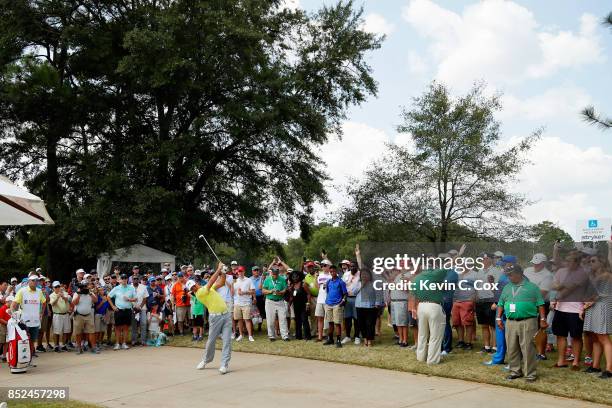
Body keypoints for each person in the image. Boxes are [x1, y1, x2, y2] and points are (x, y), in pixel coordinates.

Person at [496, 264, 547, 382]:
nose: (509, 277)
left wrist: (543, 319)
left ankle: (530, 374)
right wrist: (498, 318)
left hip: (528, 321)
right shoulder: (507, 287)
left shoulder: (532, 287)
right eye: (507, 275)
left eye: (511, 274)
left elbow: (540, 304)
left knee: (528, 348)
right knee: (512, 347)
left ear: (519, 273)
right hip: (510, 321)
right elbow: (500, 304)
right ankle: (515, 371)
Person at [192, 262, 232, 374]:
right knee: (211, 341)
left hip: (226, 315)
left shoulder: (206, 288)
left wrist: (223, 272)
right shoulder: (199, 294)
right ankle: (205, 360)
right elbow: (211, 282)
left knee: (227, 340)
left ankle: (224, 364)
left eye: (194, 285)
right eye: (192, 288)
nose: (194, 287)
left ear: (196, 283)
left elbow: (222, 282)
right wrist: (219, 269)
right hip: (215, 318)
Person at [551, 253, 589, 370]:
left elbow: (570, 288)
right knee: (560, 335)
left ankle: (576, 362)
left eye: (570, 261)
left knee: (576, 336)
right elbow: (554, 286)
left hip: (575, 309)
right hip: (560, 309)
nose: (567, 263)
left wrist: (560, 290)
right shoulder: (560, 271)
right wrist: (561, 287)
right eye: (566, 260)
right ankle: (561, 361)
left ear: (577, 262)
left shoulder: (582, 273)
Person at [582, 253, 612, 379]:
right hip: (594, 307)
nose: (591, 264)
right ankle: (595, 366)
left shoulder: (606, 276)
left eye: (593, 261)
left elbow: (596, 295)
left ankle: (609, 369)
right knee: (595, 337)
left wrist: (583, 307)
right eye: (590, 261)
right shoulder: (595, 276)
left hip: (601, 307)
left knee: (603, 338)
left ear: (602, 262)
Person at [412, 264, 447, 365]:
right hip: (434, 306)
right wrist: (458, 255)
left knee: (422, 334)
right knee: (435, 335)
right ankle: (432, 360)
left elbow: (413, 295)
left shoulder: (416, 278)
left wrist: (414, 308)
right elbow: (448, 265)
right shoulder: (435, 274)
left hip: (421, 306)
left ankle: (420, 357)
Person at [523, 253, 554, 360]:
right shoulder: (527, 271)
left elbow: (542, 293)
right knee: (528, 327)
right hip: (527, 303)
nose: (535, 265)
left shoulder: (548, 275)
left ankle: (541, 353)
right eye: (534, 263)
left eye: (538, 264)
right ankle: (529, 350)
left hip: (542, 304)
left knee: (541, 328)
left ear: (543, 263)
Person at [12, 275, 46, 359]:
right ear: (29, 282)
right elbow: (14, 303)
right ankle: (24, 358)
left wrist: (41, 312)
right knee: (24, 341)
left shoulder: (39, 291)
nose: (35, 282)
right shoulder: (22, 291)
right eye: (33, 280)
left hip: (35, 321)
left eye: (36, 280)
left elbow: (44, 302)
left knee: (32, 341)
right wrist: (13, 314)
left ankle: (30, 357)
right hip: (24, 321)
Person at [108, 274, 137, 350]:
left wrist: (129, 300)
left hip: (127, 310)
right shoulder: (116, 288)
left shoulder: (131, 288)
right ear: (120, 280)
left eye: (125, 278)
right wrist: (113, 306)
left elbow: (135, 299)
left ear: (127, 279)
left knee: (126, 327)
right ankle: (117, 343)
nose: (124, 279)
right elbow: (108, 297)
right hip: (118, 310)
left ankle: (124, 343)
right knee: (117, 327)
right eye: (122, 278)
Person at [263, 265, 290, 341]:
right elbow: (263, 290)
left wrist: (280, 292)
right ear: (271, 273)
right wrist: (270, 291)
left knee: (283, 318)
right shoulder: (267, 280)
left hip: (280, 301)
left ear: (278, 273)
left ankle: (285, 336)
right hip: (270, 301)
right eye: (274, 274)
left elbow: (285, 290)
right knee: (270, 320)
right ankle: (271, 336)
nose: (275, 275)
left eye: (276, 274)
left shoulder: (282, 279)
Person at [323, 264, 347, 347]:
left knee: (337, 323)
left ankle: (338, 341)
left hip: (337, 304)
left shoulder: (341, 282)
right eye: (331, 272)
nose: (332, 273)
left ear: (336, 272)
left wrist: (342, 301)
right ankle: (330, 339)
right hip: (328, 304)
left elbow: (345, 294)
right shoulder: (329, 281)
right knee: (330, 323)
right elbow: (328, 291)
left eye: (333, 271)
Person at [72, 280, 99, 354]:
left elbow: (96, 300)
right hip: (78, 315)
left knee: (91, 332)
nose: (85, 288)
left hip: (88, 315)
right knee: (78, 332)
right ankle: (79, 348)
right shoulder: (77, 293)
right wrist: (79, 294)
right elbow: (74, 303)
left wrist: (90, 293)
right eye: (84, 286)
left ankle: (93, 347)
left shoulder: (90, 293)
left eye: (86, 286)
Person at [287, 269, 311, 340]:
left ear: (299, 277)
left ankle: (307, 336)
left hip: (304, 305)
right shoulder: (292, 286)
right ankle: (298, 336)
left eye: (296, 276)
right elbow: (291, 297)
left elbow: (309, 294)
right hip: (296, 305)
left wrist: (308, 303)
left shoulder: (303, 284)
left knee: (304, 320)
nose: (294, 278)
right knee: (297, 320)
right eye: (293, 277)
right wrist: (289, 305)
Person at [233, 266, 255, 342]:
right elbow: (232, 292)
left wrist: (244, 292)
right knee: (239, 320)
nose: (240, 273)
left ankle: (250, 336)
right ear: (237, 272)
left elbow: (253, 291)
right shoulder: (235, 281)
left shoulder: (248, 280)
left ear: (244, 272)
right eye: (239, 271)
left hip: (246, 303)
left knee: (247, 319)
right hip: (237, 303)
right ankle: (241, 335)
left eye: (241, 271)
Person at [49, 281, 71, 352]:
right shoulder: (52, 295)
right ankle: (56, 346)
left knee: (66, 331)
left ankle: (64, 345)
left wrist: (63, 296)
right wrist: (57, 297)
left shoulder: (65, 293)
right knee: (56, 331)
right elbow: (52, 304)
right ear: (53, 288)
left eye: (58, 286)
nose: (57, 288)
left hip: (66, 314)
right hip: (57, 315)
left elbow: (69, 299)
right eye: (56, 287)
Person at [342, 261, 361, 345]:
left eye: (354, 266)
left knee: (356, 319)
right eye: (351, 266)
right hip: (347, 299)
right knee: (347, 318)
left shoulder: (360, 274)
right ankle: (348, 336)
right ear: (349, 267)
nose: (353, 268)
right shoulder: (346, 274)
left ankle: (357, 336)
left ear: (357, 267)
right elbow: (342, 285)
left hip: (357, 298)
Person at [314, 259, 332, 341]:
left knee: (328, 319)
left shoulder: (332, 275)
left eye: (325, 265)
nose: (323, 267)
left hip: (328, 300)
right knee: (320, 318)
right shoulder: (320, 275)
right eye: (322, 265)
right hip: (320, 299)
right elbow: (317, 287)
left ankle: (328, 335)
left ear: (329, 266)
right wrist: (315, 278)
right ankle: (320, 336)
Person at [131, 275, 149, 346]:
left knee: (143, 324)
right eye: (134, 279)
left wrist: (140, 307)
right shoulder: (130, 287)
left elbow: (145, 298)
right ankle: (134, 340)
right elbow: (129, 298)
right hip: (133, 308)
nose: (135, 280)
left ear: (139, 279)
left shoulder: (143, 287)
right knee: (134, 325)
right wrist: (134, 307)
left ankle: (143, 341)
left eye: (136, 279)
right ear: (132, 280)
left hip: (142, 308)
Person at [251, 266, 265, 332]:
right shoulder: (249, 279)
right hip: (251, 297)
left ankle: (259, 326)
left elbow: (262, 287)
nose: (256, 271)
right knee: (252, 313)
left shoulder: (262, 278)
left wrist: (262, 279)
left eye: (257, 270)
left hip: (260, 297)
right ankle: (252, 327)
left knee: (261, 312)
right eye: (255, 270)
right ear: (252, 271)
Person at [0, 295, 12, 361]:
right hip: (3, 326)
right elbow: (0, 319)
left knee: (7, 342)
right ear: (8, 301)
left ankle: (4, 356)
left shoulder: (10, 309)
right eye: (12, 302)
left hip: (9, 327)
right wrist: (8, 323)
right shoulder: (3, 308)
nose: (13, 303)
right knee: (1, 342)